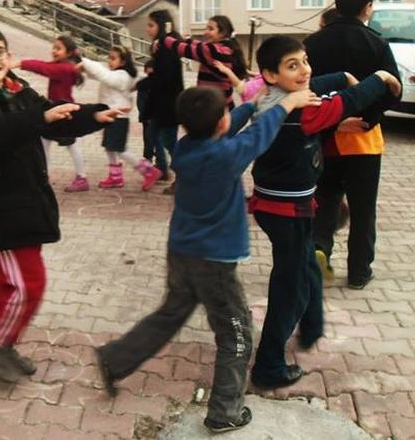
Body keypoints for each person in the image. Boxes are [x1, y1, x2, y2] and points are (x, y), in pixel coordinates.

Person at [96, 85, 320, 434]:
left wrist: (248, 106)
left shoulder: (186, 147)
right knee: (237, 335)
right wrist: (288, 102)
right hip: (213, 265)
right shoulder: (226, 156)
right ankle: (225, 411)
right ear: (221, 123)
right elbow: (258, 136)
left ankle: (115, 359)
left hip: (182, 253)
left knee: (170, 313)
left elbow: (229, 126)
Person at [0, 25, 123, 383]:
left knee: (11, 282)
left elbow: (53, 113)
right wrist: (39, 118)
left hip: (22, 201)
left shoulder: (14, 87)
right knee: (29, 283)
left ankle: (2, 341)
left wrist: (93, 115)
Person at [249, 35, 401, 389]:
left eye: (304, 61)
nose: (303, 70)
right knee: (291, 287)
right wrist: (378, 77)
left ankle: (307, 328)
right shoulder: (303, 112)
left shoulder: (278, 97)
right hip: (286, 211)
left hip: (282, 205)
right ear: (271, 75)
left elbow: (316, 84)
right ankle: (269, 366)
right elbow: (349, 102)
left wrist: (340, 75)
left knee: (304, 276)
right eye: (293, 65)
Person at [304, 0, 402, 289]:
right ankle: (360, 271)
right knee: (363, 208)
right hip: (364, 139)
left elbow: (304, 88)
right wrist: (367, 119)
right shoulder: (377, 42)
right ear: (368, 5)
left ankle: (320, 253)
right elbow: (390, 91)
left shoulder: (313, 43)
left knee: (325, 199)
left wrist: (332, 120)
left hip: (324, 136)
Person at [13, 34, 90, 192]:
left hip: (64, 113)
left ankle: (81, 178)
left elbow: (44, 68)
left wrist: (20, 63)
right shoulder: (63, 65)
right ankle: (43, 177)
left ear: (68, 53)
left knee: (70, 145)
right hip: (55, 110)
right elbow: (45, 65)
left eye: (58, 48)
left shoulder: (64, 68)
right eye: (54, 47)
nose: (54, 51)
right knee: (44, 143)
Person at [80, 47, 162, 191]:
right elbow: (99, 75)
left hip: (118, 117)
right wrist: (84, 69)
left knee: (119, 149)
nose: (109, 62)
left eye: (113, 58)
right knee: (110, 147)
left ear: (123, 61)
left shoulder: (121, 76)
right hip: (111, 115)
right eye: (109, 58)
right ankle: (115, 176)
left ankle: (148, 171)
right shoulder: (120, 74)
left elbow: (104, 75)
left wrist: (84, 61)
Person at [160, 15, 248, 110]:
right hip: (224, 104)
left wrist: (163, 39)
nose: (205, 32)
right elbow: (200, 45)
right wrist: (185, 39)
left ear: (223, 32)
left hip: (214, 107)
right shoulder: (226, 47)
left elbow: (184, 49)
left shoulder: (213, 50)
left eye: (210, 29)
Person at [145, 10, 185, 194]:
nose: (148, 29)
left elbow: (165, 77)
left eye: (151, 25)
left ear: (161, 25)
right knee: (153, 135)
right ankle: (162, 169)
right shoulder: (162, 45)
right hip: (160, 102)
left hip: (168, 104)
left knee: (169, 141)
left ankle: (183, 176)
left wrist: (147, 78)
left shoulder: (167, 47)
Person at [135, 59, 156, 165]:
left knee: (157, 140)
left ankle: (159, 161)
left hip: (158, 118)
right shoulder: (143, 85)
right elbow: (140, 101)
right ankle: (148, 158)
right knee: (148, 139)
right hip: (147, 118)